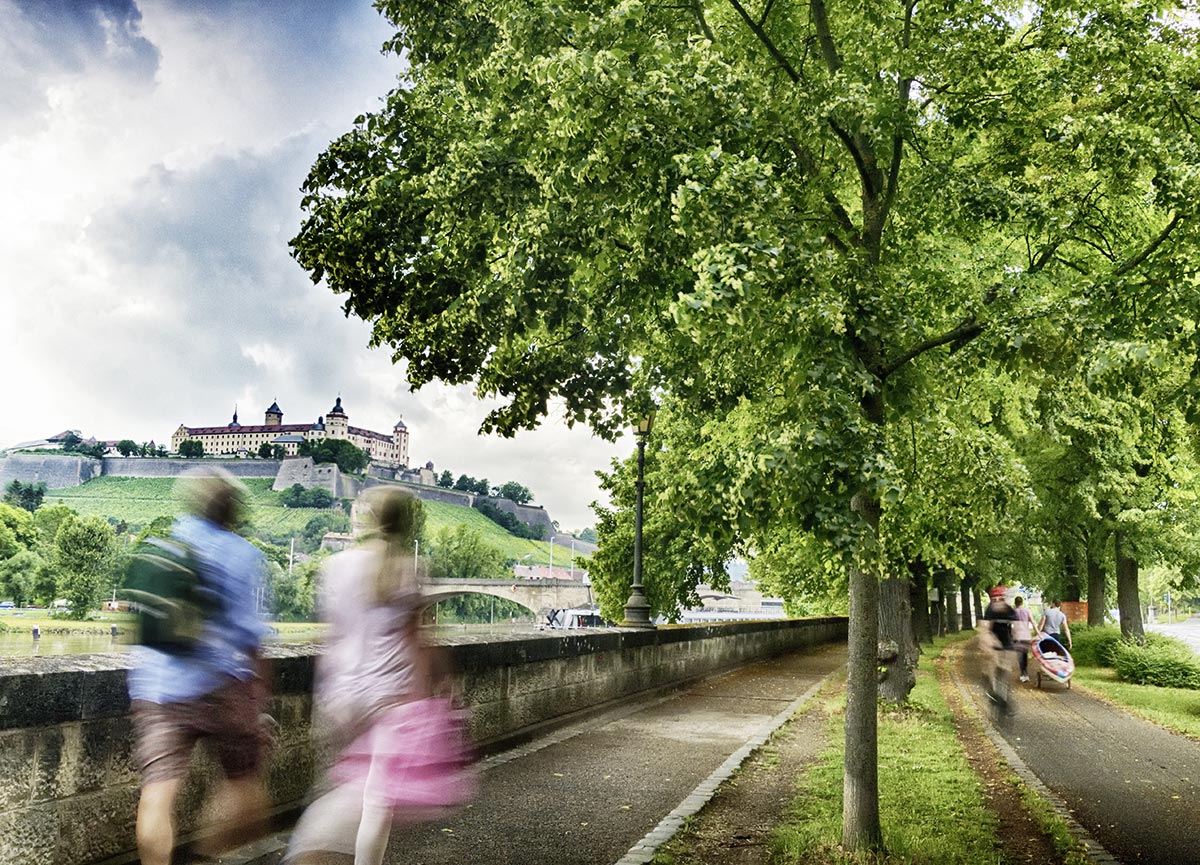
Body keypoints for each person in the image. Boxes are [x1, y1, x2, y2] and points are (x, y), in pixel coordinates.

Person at [287, 488, 473, 865]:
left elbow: (331, 633)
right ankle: (320, 852)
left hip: (342, 693)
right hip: (388, 697)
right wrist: (437, 689)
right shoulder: (406, 568)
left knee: (342, 780)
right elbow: (418, 643)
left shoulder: (337, 565)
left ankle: (311, 845)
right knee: (376, 798)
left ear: (368, 519)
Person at [127, 468, 272, 865]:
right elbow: (250, 637)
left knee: (157, 792)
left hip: (156, 684)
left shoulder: (167, 542)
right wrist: (259, 697)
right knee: (244, 783)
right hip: (219, 684)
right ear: (232, 510)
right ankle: (206, 855)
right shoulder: (244, 554)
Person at [1012, 595, 1034, 682]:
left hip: (1017, 636)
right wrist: (1038, 633)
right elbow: (1033, 622)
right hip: (1026, 636)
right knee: (1025, 655)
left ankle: (1022, 673)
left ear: (1015, 603)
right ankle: (1026, 673)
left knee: (1019, 656)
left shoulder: (1013, 612)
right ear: (1022, 602)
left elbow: (1010, 625)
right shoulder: (1027, 611)